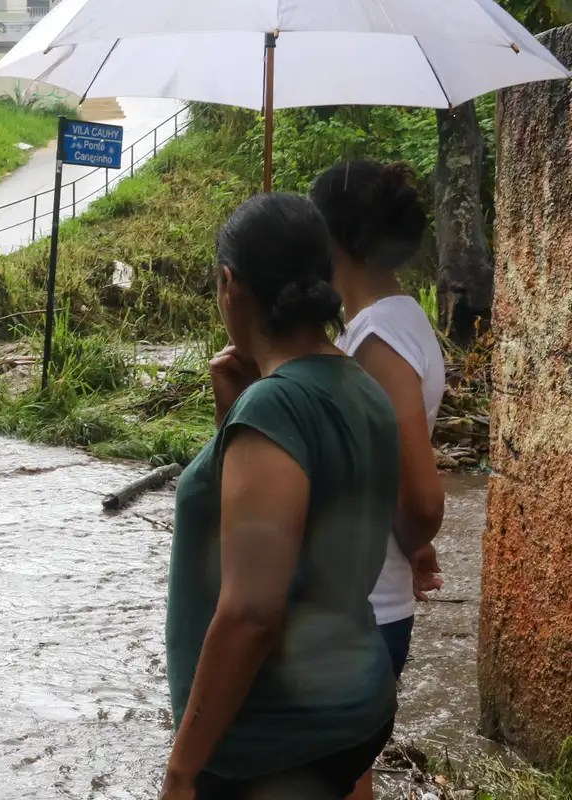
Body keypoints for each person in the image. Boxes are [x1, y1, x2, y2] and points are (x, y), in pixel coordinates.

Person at [160, 193, 400, 800]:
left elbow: (253, 612)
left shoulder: (276, 406)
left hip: (267, 744)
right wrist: (233, 411)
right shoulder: (359, 383)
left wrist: (182, 770)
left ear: (229, 283)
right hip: (351, 710)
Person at [312, 160, 447, 800]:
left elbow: (421, 495)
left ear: (333, 239)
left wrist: (414, 537)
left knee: (332, 773)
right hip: (370, 598)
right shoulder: (391, 320)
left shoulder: (378, 342)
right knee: (345, 772)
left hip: (365, 605)